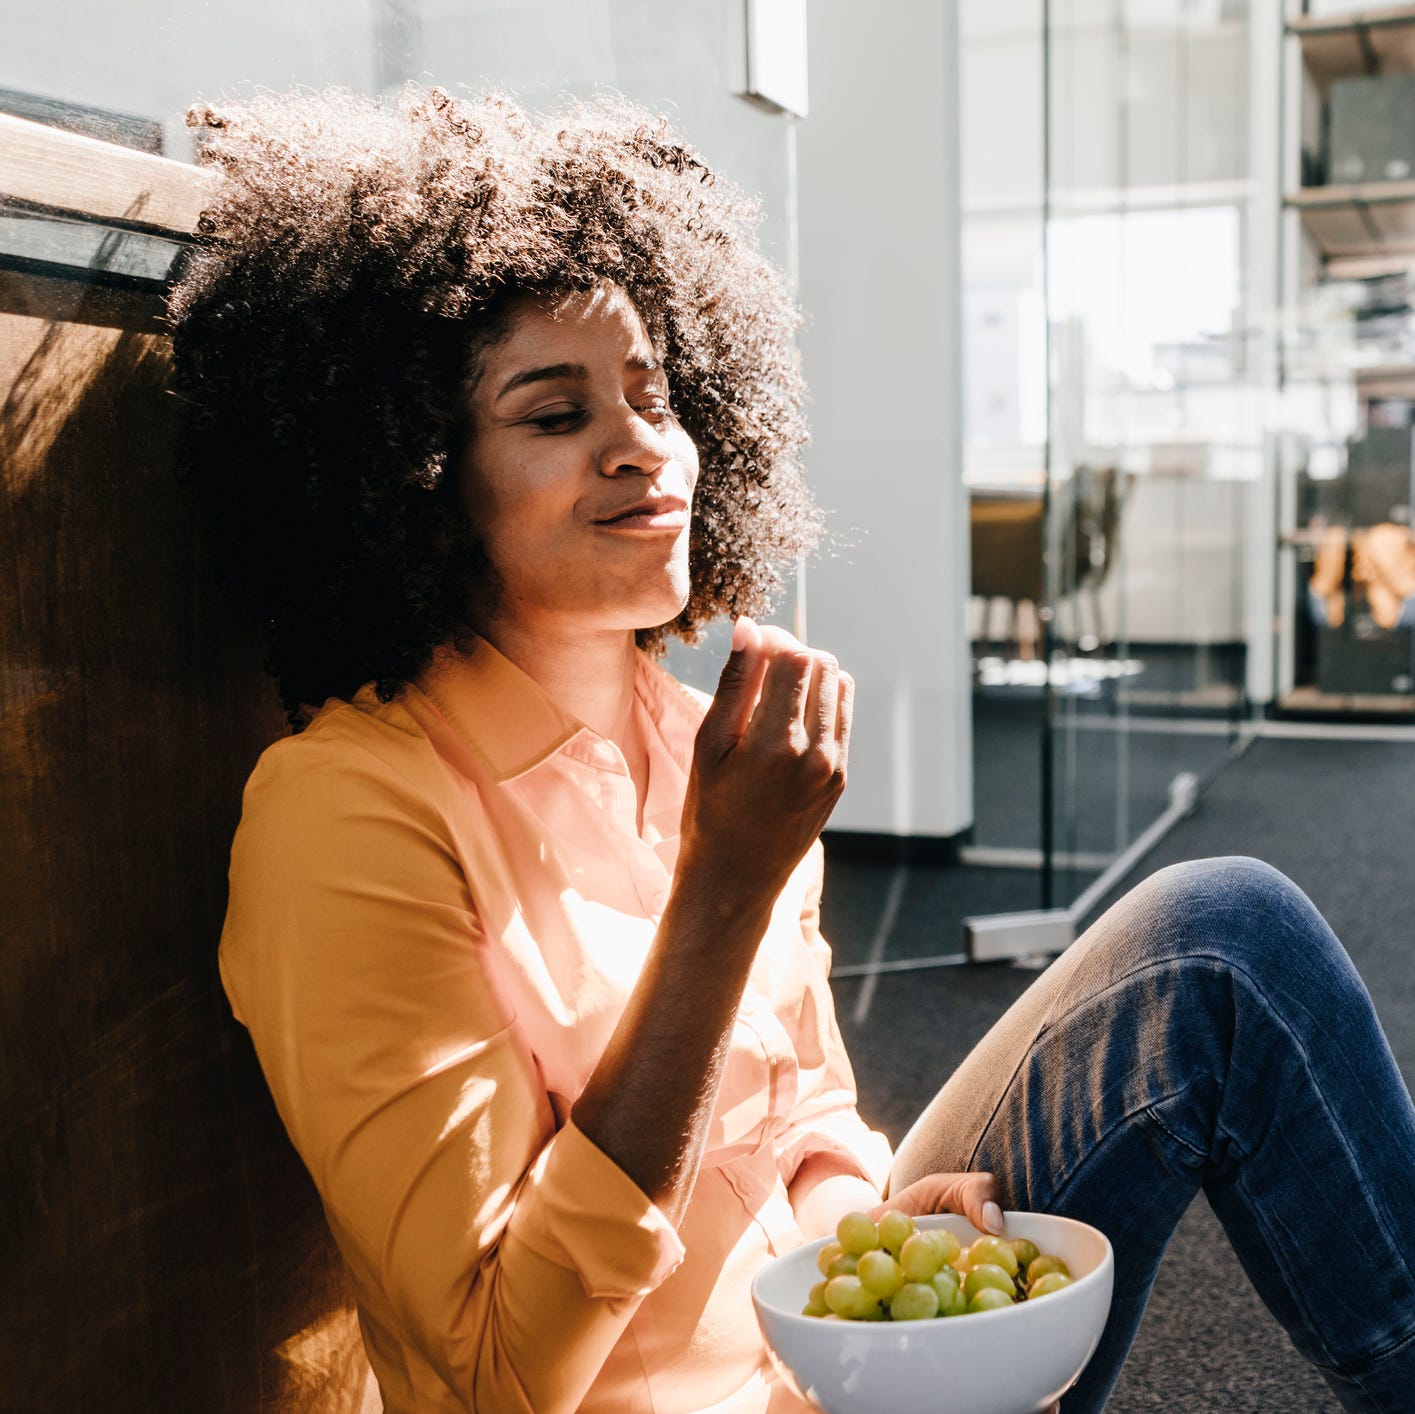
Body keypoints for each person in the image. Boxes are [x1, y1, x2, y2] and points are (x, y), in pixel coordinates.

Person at [168, 85, 1415, 1413]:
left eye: (653, 395)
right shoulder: (348, 812)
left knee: (1221, 941)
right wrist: (724, 887)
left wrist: (861, 1198)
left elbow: (805, 1108)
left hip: (840, 1360)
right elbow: (497, 1371)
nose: (643, 445)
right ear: (407, 479)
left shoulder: (705, 740)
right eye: (554, 415)